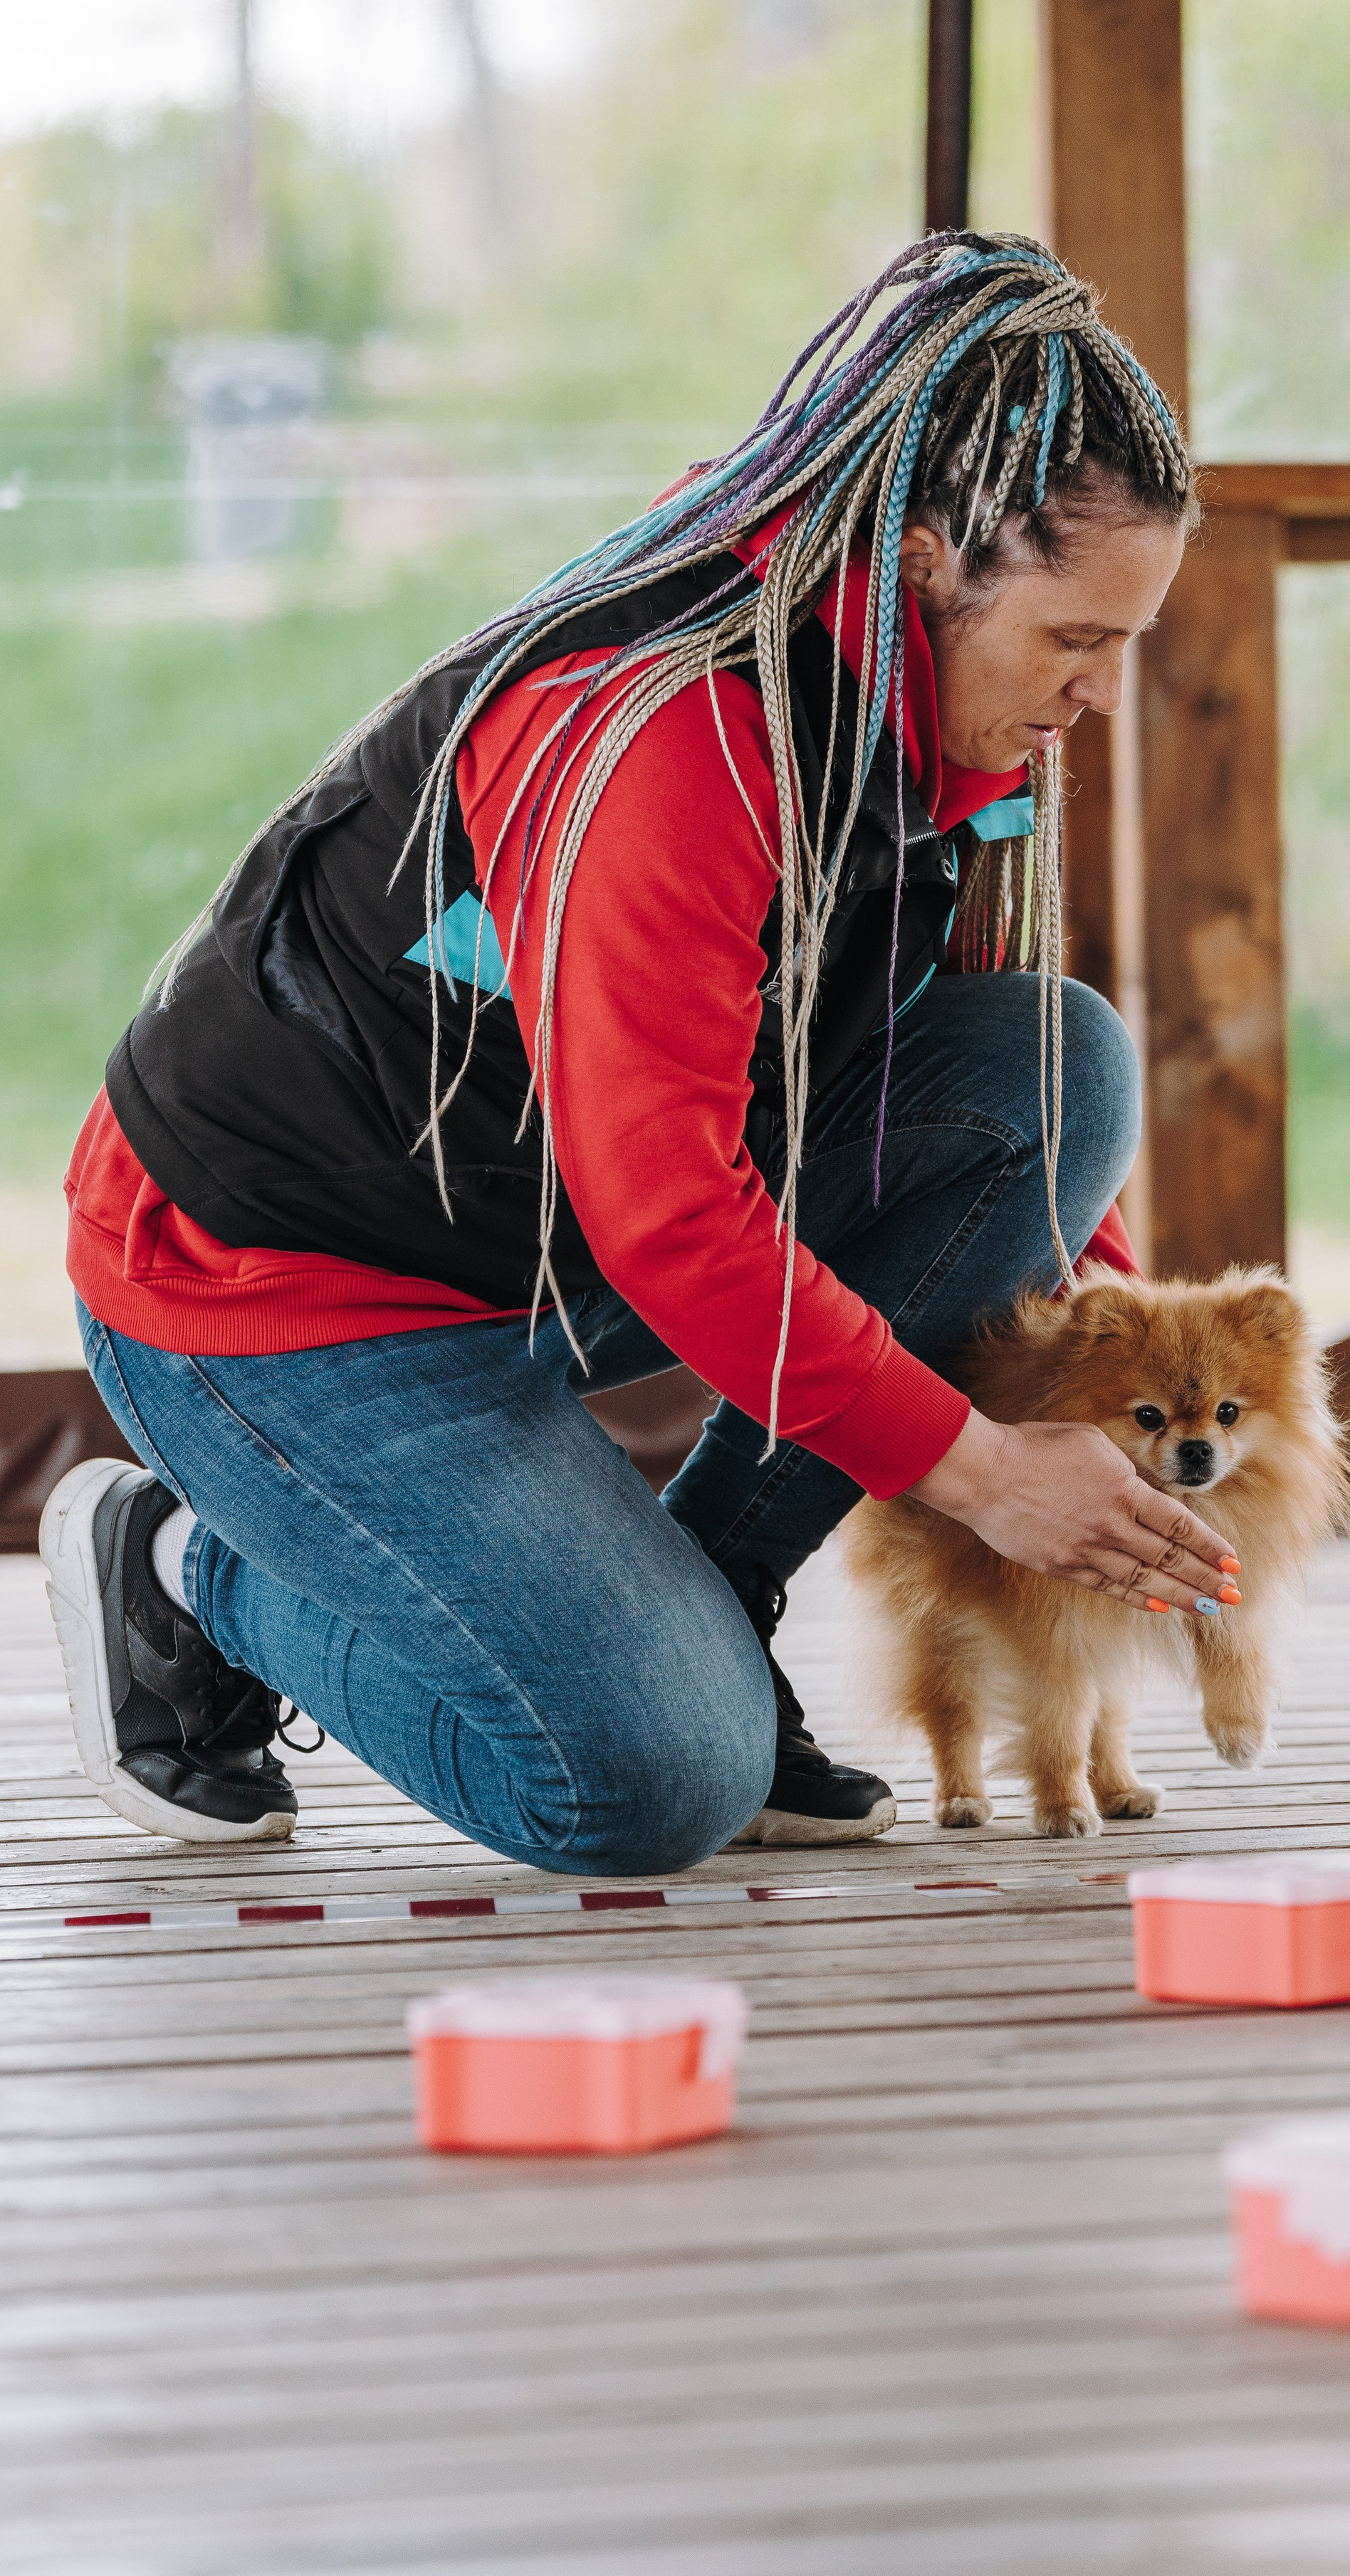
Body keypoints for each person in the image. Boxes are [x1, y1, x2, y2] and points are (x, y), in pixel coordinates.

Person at [41, 231, 1241, 1876]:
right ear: (922, 565)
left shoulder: (932, 701)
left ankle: (710, 1601)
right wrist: (977, 1467)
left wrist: (1089, 1361)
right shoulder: (674, 738)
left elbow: (971, 1101)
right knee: (644, 1784)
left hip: (539, 1228)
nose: (1098, 695)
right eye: (1073, 642)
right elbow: (674, 1215)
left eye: (1127, 646)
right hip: (291, 1288)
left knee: (1060, 1063)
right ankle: (192, 1565)